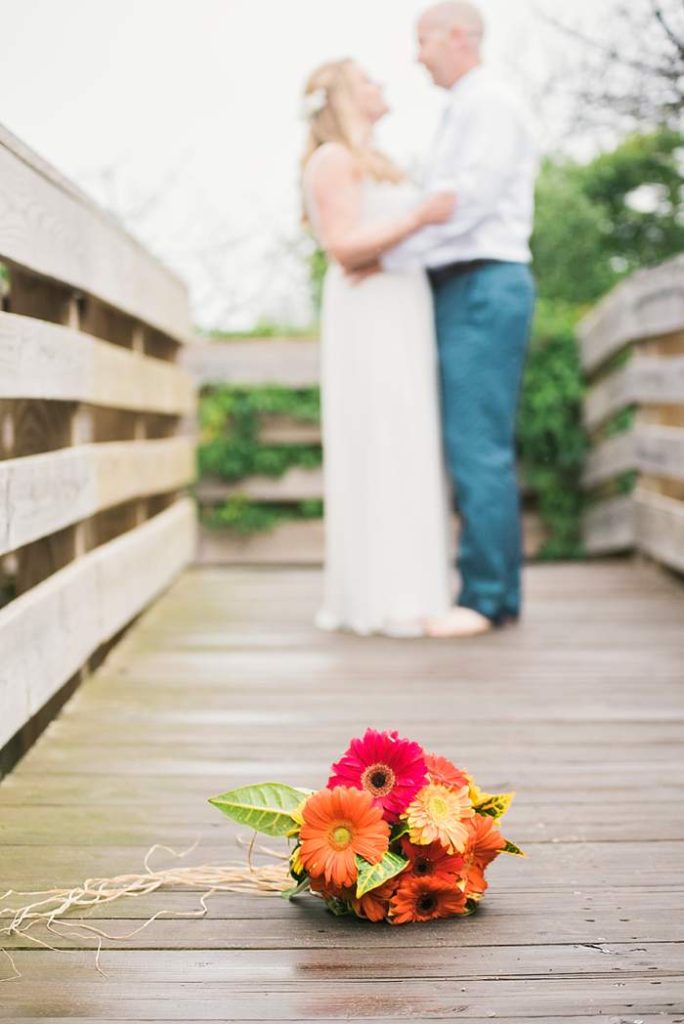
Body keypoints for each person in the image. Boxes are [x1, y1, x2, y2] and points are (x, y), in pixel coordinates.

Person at [383, 1, 538, 637]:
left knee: (478, 444)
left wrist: (390, 251)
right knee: (471, 441)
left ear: (457, 37)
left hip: (481, 280)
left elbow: (466, 201)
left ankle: (485, 597)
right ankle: (487, 589)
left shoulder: (490, 103)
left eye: (422, 40)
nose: (417, 55)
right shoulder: (468, 107)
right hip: (465, 284)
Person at [301, 59, 456, 637]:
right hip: (369, 314)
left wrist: (404, 244)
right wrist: (420, 217)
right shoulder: (333, 159)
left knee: (407, 438)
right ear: (344, 95)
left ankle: (412, 590)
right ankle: (382, 596)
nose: (382, 86)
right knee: (381, 436)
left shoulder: (375, 160)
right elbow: (342, 245)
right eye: (370, 80)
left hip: (398, 306)